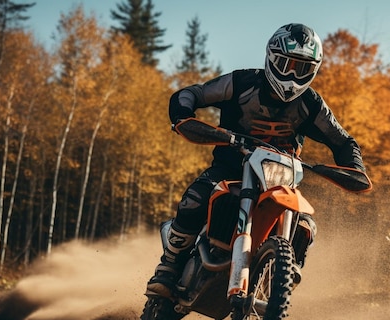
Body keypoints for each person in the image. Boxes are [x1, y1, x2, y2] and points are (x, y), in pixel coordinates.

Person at [146, 23, 366, 298]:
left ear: (314, 70)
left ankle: (282, 276)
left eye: (302, 69)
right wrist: (183, 117)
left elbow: (343, 141)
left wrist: (355, 168)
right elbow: (194, 93)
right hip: (231, 167)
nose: (292, 75)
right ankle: (169, 266)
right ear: (272, 58)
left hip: (281, 179)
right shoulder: (241, 83)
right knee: (196, 198)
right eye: (286, 64)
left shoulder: (312, 104)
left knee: (307, 226)